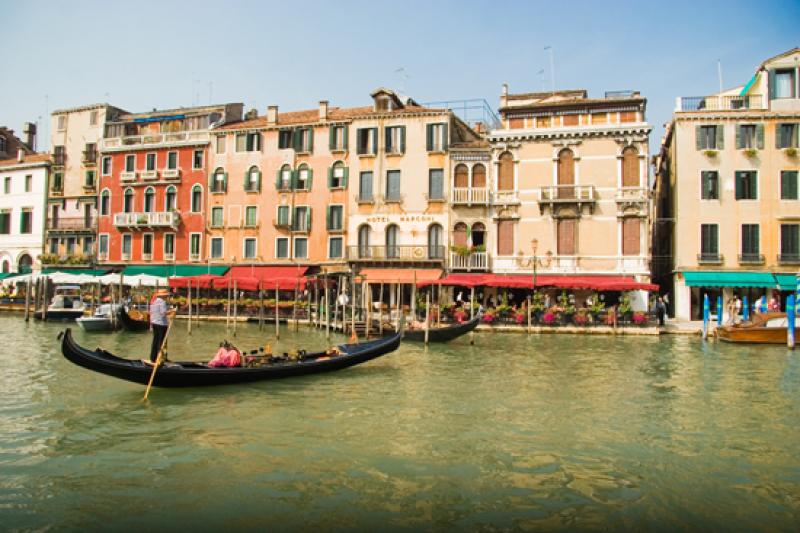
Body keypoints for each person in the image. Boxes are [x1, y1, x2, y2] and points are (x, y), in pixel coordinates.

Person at [149, 288, 174, 363]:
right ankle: (161, 358)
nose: (166, 297)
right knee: (162, 342)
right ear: (163, 296)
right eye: (166, 296)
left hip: (154, 323)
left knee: (155, 341)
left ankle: (153, 358)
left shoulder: (154, 302)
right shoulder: (162, 302)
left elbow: (153, 313)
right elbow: (163, 313)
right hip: (161, 324)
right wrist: (173, 311)